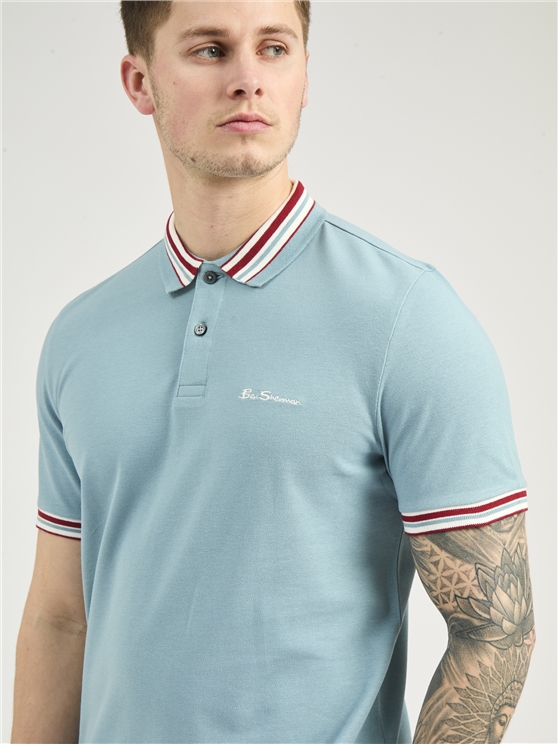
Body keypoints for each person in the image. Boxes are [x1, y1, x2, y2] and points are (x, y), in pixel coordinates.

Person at [11, 1, 535, 742]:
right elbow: (62, 619)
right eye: (209, 50)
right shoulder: (82, 335)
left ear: (305, 76)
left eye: (275, 48)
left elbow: (496, 631)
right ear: (139, 82)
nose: (248, 79)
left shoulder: (408, 318)